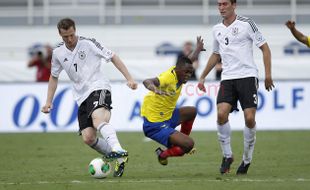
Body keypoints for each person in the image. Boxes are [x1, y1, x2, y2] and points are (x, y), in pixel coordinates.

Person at [41, 18, 137, 177]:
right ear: (60, 34)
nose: (70, 39)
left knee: (98, 120)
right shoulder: (57, 53)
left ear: (75, 30)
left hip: (99, 87)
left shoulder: (89, 43)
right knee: (88, 138)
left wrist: (129, 78)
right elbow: (54, 76)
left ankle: (118, 149)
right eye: (66, 37)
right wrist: (48, 102)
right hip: (81, 96)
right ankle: (120, 159)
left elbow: (113, 56)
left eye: (72, 35)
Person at [198, 0, 274, 175]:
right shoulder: (216, 29)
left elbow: (266, 49)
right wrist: (202, 76)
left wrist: (268, 74)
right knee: (221, 114)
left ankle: (246, 159)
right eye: (219, 5)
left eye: (225, 4)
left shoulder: (247, 24)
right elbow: (216, 54)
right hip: (227, 78)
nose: (221, 8)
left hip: (247, 76)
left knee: (249, 118)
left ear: (234, 5)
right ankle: (227, 156)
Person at [141, 36, 204, 166]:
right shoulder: (168, 77)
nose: (188, 75)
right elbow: (147, 81)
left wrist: (197, 49)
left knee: (192, 111)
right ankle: (168, 152)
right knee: (188, 145)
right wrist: (155, 89)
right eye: (186, 73)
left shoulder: (180, 70)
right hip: (155, 125)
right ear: (177, 70)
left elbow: (188, 61)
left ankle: (175, 146)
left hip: (168, 116)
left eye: (190, 73)